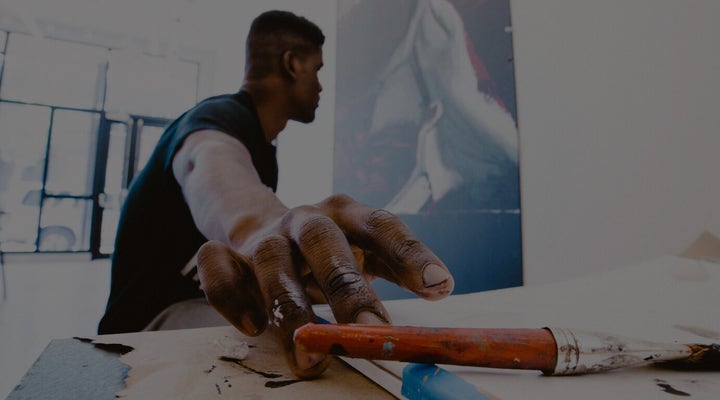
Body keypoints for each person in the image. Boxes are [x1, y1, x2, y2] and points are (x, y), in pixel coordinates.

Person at [98, 10, 455, 379]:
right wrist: (258, 228)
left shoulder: (261, 147)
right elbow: (209, 164)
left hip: (213, 306)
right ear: (292, 64)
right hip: (144, 325)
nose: (321, 86)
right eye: (317, 70)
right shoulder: (218, 119)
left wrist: (309, 275)